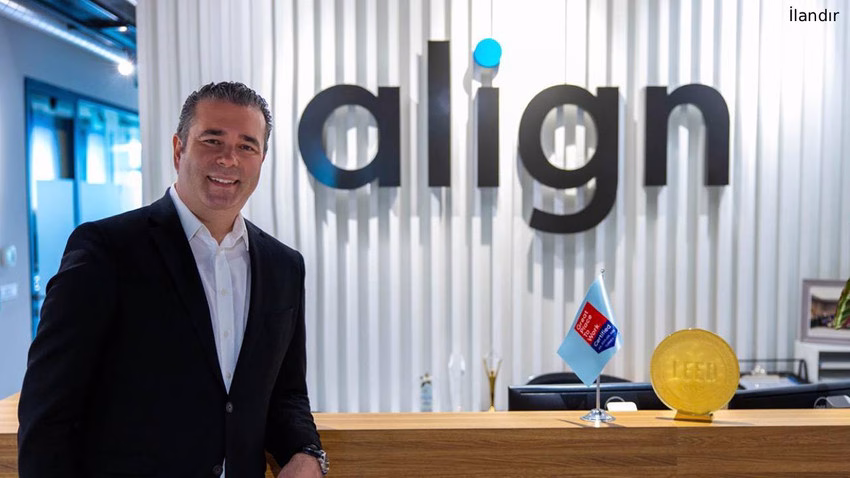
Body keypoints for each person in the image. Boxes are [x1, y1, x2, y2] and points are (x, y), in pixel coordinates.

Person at [18, 82, 327, 477]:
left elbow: (286, 393)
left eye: (247, 146)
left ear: (262, 159)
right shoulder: (106, 250)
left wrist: (305, 452)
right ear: (179, 149)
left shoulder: (284, 267)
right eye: (212, 140)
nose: (229, 159)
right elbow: (48, 411)